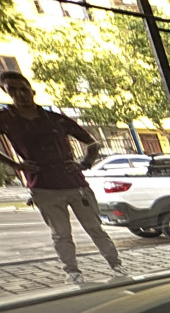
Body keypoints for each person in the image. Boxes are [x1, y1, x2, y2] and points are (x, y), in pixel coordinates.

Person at [0, 71, 126, 284]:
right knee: (60, 233)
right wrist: (15, 165)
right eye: (12, 90)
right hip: (43, 186)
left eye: (23, 89)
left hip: (75, 184)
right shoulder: (5, 119)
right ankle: (73, 273)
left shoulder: (55, 119)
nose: (19, 94)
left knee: (95, 228)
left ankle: (116, 265)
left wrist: (84, 164)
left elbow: (92, 143)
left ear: (32, 91)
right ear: (6, 92)